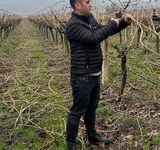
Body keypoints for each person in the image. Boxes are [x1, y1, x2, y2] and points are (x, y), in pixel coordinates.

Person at [66, 0, 133, 149]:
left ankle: (92, 136)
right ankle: (70, 144)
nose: (90, 4)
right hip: (82, 75)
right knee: (77, 111)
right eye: (87, 2)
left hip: (95, 73)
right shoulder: (73, 24)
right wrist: (112, 23)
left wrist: (123, 23)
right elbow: (93, 38)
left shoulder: (89, 19)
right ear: (78, 5)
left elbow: (103, 31)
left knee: (92, 107)